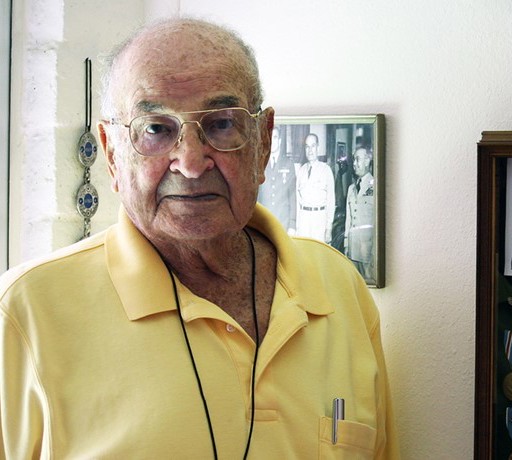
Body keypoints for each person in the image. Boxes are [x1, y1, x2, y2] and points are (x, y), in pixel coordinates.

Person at [0, 18, 399, 459]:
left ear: (263, 142)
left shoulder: (339, 286)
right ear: (112, 152)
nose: (190, 162)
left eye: (222, 124)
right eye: (155, 128)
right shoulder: (24, 314)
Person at [295, 133, 336, 243]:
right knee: (303, 254)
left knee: (318, 256)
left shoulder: (326, 170)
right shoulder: (301, 171)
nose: (310, 150)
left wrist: (329, 228)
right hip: (304, 220)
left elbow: (331, 201)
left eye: (313, 146)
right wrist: (297, 226)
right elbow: (297, 201)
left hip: (319, 220)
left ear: (318, 147)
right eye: (307, 146)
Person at [257, 126, 297, 233]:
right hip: (265, 222)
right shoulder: (260, 164)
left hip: (283, 222)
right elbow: (257, 196)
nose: (272, 141)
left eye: (275, 137)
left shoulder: (288, 164)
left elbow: (293, 196)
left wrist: (292, 225)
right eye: (270, 138)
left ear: (279, 141)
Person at [345, 147, 376, 282]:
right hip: (352, 249)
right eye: (353, 159)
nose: (354, 163)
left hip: (367, 251)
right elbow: (348, 219)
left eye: (358, 159)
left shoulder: (375, 186)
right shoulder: (351, 188)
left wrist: (375, 252)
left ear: (367, 161)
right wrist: (346, 244)